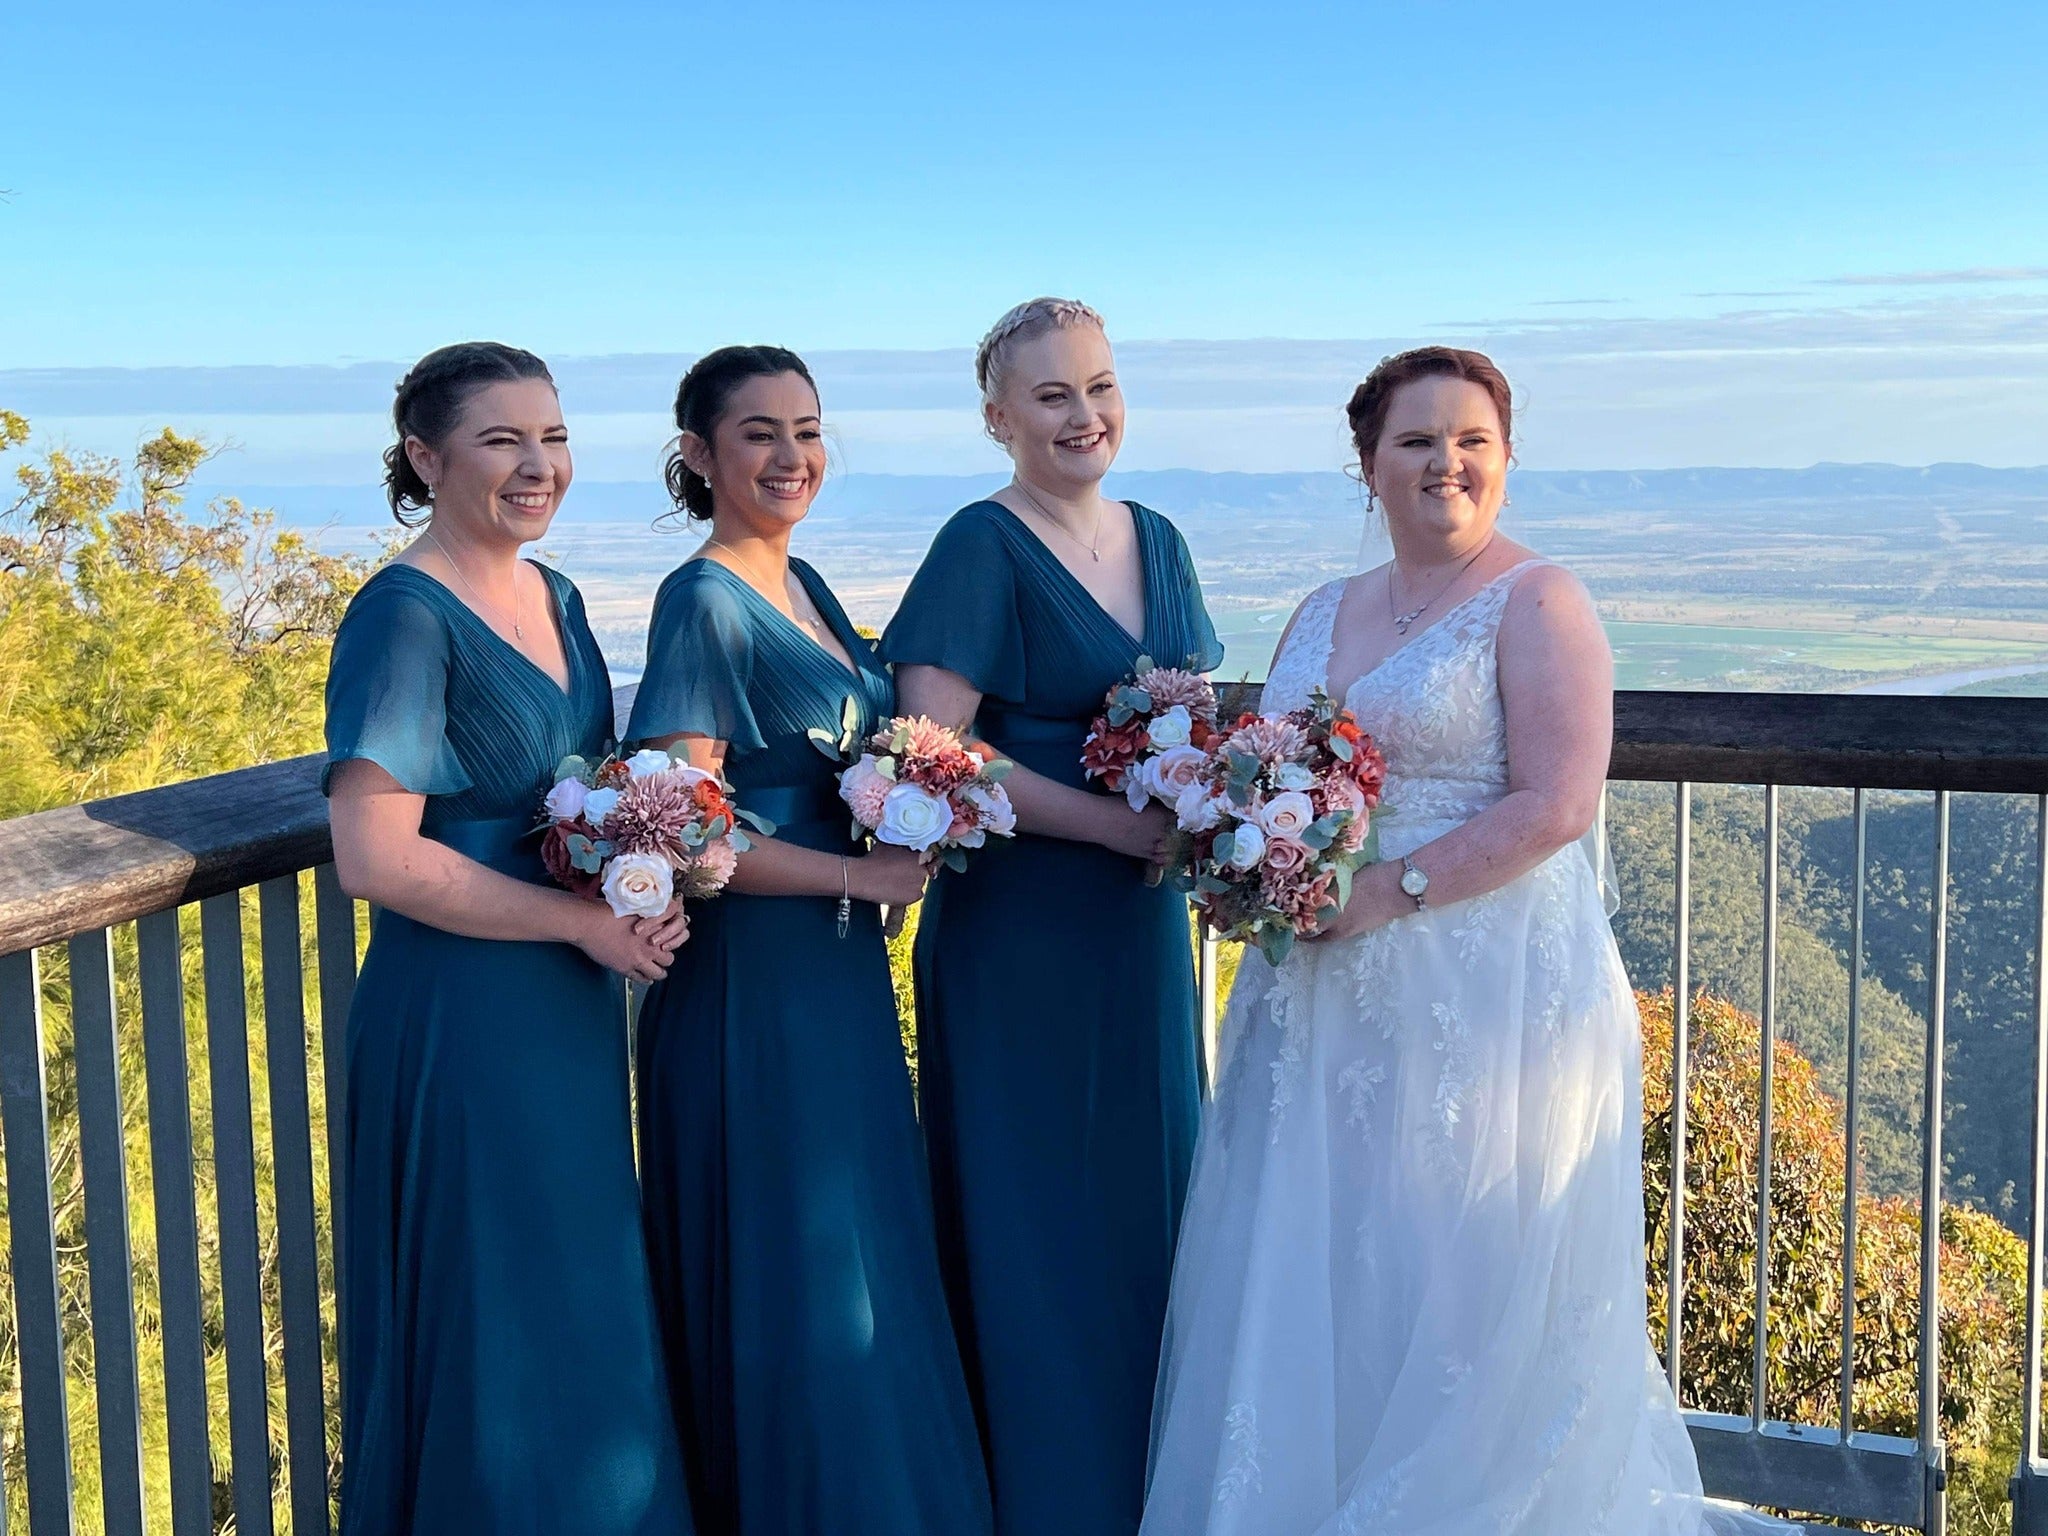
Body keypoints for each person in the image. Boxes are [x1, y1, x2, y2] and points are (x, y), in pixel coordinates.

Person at [1139, 346, 1791, 1535]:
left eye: (1470, 441)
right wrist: (1251, 864)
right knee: (1322, 1255)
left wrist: (1385, 891)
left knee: (1459, 1280)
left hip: (1485, 991)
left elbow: (1558, 803)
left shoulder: (1539, 600)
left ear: (1503, 458)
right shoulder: (1317, 609)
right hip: (1315, 989)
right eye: (1415, 441)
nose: (1445, 462)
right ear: (1367, 465)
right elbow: (1270, 767)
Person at [325, 342, 692, 1535]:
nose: (539, 466)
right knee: (497, 1315)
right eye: (502, 441)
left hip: (562, 1008)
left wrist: (647, 866)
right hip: (462, 1014)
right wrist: (580, 923)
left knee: (576, 1301)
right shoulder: (401, 616)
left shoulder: (558, 597)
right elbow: (375, 858)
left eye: (554, 437)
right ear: (426, 460)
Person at [627, 346, 992, 1536]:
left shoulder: (808, 585)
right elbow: (684, 826)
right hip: (753, 989)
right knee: (799, 1272)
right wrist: (857, 871)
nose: (791, 457)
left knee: (860, 1256)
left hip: (835, 976)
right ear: (698, 455)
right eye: (758, 434)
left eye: (808, 429)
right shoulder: (702, 601)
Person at [884, 298, 1222, 1536]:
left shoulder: (1161, 539)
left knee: (1148, 1194)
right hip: (1020, 929)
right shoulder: (979, 545)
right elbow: (932, 748)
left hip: (1138, 932)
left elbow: (1195, 715)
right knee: (1031, 1209)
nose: (1084, 416)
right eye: (1051, 396)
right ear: (998, 419)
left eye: (1099, 387)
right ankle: (1042, 1496)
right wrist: (1109, 827)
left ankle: (1156, 1490)